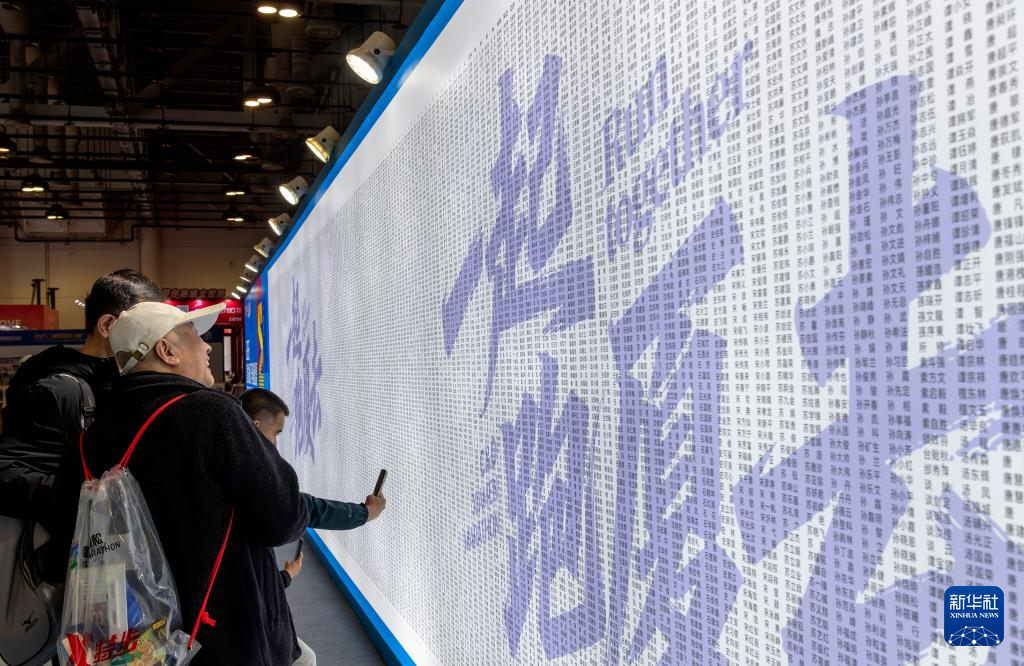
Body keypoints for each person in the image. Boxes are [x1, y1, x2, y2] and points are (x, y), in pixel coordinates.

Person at [47, 301, 312, 665]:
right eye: (195, 337)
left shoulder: (86, 442)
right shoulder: (212, 412)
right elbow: (283, 518)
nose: (206, 347)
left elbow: (64, 554)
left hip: (133, 649)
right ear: (166, 351)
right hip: (223, 643)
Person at [0, 268, 164, 526]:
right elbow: (8, 475)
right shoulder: (58, 389)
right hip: (73, 542)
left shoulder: (125, 382)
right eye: (146, 325)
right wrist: (93, 499)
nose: (156, 336)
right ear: (108, 325)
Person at [240, 388, 386, 585]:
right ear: (256, 426)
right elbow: (306, 509)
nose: (274, 444)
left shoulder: (229, 464)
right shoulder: (252, 475)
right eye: (275, 433)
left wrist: (285, 576)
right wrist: (365, 513)